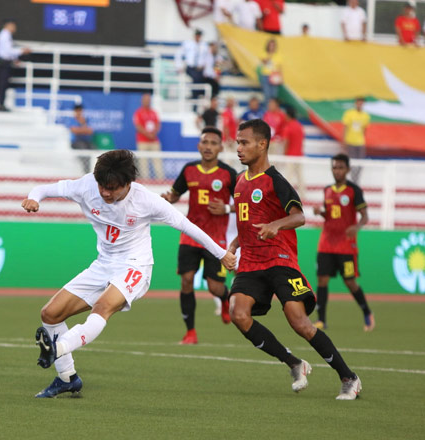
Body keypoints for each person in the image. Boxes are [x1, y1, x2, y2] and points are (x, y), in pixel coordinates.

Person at [22, 149, 236, 398]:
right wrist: (33, 198)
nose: (105, 192)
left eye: (112, 188)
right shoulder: (87, 186)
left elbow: (186, 225)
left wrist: (221, 253)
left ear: (128, 184)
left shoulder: (146, 200)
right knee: (50, 314)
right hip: (103, 264)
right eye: (102, 185)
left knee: (102, 308)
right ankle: (67, 378)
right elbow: (45, 189)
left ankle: (57, 348)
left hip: (136, 265)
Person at [228, 119, 362, 400]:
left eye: (244, 142)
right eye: (237, 142)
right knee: (238, 314)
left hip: (279, 259)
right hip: (251, 262)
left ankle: (349, 377)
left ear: (262, 144)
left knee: (299, 321)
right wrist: (232, 246)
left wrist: (277, 225)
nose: (238, 148)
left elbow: (299, 216)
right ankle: (293, 363)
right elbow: (247, 222)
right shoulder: (240, 181)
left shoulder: (276, 180)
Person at [161, 127, 237, 344]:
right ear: (199, 146)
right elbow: (175, 195)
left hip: (216, 238)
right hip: (190, 235)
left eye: (214, 143)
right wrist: (169, 198)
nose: (208, 147)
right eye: (205, 142)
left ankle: (224, 298)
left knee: (214, 286)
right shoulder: (189, 170)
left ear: (221, 148)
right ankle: (190, 332)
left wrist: (226, 209)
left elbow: (243, 204)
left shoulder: (229, 174)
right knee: (186, 281)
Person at [313, 153, 373, 332]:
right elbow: (331, 214)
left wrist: (357, 226)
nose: (337, 171)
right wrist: (320, 212)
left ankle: (367, 312)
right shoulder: (327, 190)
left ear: (347, 169)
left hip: (346, 245)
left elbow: (365, 216)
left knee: (350, 281)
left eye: (340, 167)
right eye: (334, 167)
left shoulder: (354, 190)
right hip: (326, 243)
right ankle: (321, 320)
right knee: (322, 280)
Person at [0, 20, 31, 112]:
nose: (15, 29)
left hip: (5, 62)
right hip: (3, 63)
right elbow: (7, 51)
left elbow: (7, 51)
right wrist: (21, 51)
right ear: (8, 26)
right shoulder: (4, 36)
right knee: (2, 84)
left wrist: (15, 59)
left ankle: (1, 104)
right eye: (13, 26)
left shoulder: (6, 36)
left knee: (4, 84)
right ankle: (0, 104)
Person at [174, 30, 216, 105]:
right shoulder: (187, 44)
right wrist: (179, 66)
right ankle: (195, 96)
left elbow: (208, 59)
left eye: (199, 36)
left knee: (205, 80)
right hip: (190, 68)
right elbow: (178, 54)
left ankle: (196, 96)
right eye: (197, 35)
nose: (198, 37)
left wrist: (208, 71)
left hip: (200, 69)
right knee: (197, 78)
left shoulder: (204, 46)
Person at [133, 93, 164, 180]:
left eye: (148, 100)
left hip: (154, 140)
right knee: (143, 161)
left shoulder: (154, 112)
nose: (147, 101)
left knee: (157, 160)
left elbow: (158, 124)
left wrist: (153, 134)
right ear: (142, 101)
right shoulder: (138, 113)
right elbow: (138, 126)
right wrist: (148, 134)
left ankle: (160, 179)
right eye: (145, 100)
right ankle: (145, 179)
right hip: (142, 141)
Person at [341, 97, 370, 180]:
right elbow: (345, 128)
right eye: (359, 103)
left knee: (360, 163)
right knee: (352, 162)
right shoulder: (349, 114)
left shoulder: (365, 116)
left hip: (360, 143)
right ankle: (353, 179)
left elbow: (364, 129)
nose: (360, 105)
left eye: (361, 103)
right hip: (351, 142)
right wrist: (344, 141)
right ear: (355, 103)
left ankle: (356, 179)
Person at [282, 106, 305, 196]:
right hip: (299, 155)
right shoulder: (299, 126)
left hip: (291, 155)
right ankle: (303, 194)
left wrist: (284, 153)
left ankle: (285, 194)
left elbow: (286, 142)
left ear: (288, 115)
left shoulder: (288, 127)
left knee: (288, 176)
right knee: (300, 176)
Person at [259, 38, 282, 103]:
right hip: (266, 75)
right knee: (267, 95)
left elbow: (280, 67)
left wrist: (281, 78)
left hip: (275, 76)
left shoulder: (278, 55)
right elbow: (264, 62)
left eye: (273, 45)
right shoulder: (264, 53)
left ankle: (272, 112)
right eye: (270, 45)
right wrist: (270, 54)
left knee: (274, 95)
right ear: (268, 46)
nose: (272, 47)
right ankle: (266, 111)